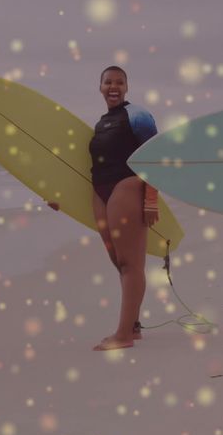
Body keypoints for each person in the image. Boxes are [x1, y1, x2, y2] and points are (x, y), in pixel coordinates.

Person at [47, 66, 160, 351]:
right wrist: (60, 197)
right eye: (108, 82)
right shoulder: (100, 123)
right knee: (117, 261)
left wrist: (150, 200)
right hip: (100, 191)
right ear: (100, 87)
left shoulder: (138, 115)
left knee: (130, 264)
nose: (113, 86)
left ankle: (123, 336)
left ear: (126, 87)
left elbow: (157, 156)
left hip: (126, 187)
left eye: (119, 82)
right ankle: (132, 327)